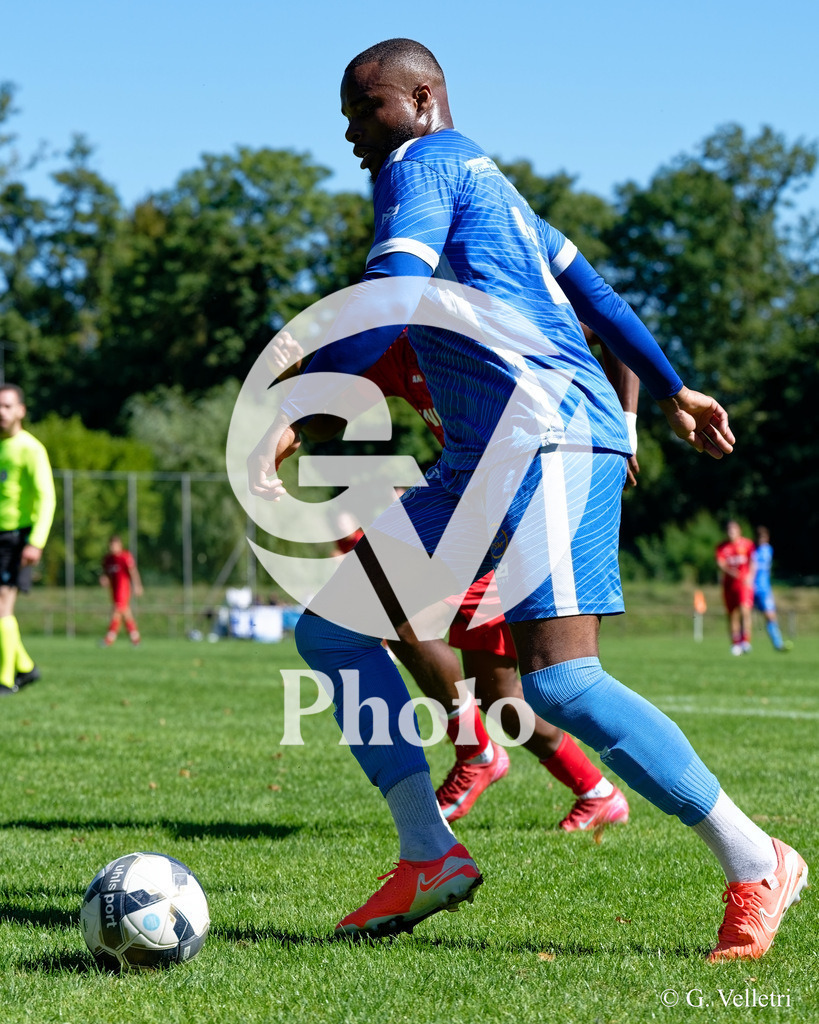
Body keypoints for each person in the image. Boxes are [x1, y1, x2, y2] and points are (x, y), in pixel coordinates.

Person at [249, 39, 807, 959]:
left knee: (561, 681)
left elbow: (389, 295)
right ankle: (428, 853)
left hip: (548, 438)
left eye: (364, 109)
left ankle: (758, 861)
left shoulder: (419, 167)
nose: (351, 133)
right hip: (485, 459)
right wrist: (673, 389)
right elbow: (597, 295)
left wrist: (296, 398)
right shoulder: (492, 185)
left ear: (421, 98)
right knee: (334, 631)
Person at [0, 384, 55, 696]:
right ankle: (26, 667)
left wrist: (36, 541)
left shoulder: (30, 448)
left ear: (21, 410)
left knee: (3, 605)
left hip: (16, 537)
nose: (1, 412)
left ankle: (6, 680)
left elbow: (47, 497)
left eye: (7, 406)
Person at [715, 520, 755, 656]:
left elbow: (753, 561)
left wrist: (750, 576)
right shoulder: (722, 547)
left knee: (745, 610)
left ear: (739, 530)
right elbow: (720, 563)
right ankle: (735, 643)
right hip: (729, 585)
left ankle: (746, 641)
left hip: (743, 584)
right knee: (733, 614)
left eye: (733, 529)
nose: (731, 532)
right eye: (729, 530)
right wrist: (730, 571)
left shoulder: (747, 544)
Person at [753, 526, 791, 652]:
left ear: (767, 538)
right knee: (745, 615)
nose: (761, 540)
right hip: (751, 588)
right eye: (759, 537)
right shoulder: (751, 550)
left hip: (764, 589)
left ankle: (778, 643)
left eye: (764, 537)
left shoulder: (769, 549)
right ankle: (742, 643)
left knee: (770, 615)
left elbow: (767, 570)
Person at [100, 535, 143, 646]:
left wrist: (137, 585)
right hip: (113, 590)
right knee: (126, 613)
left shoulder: (125, 557)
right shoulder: (108, 559)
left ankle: (109, 639)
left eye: (114, 545)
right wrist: (104, 578)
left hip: (123, 589)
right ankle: (135, 638)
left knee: (116, 611)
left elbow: (133, 571)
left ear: (120, 545)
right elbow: (106, 573)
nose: (112, 547)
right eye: (111, 545)